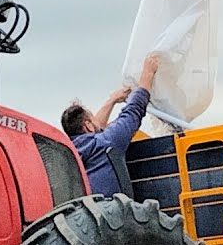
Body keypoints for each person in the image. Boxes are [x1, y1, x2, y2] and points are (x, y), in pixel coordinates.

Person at [62, 52, 160, 197]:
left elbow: (96, 127)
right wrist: (148, 73)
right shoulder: (105, 143)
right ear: (88, 126)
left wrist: (112, 100)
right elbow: (133, 111)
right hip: (111, 213)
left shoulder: (67, 154)